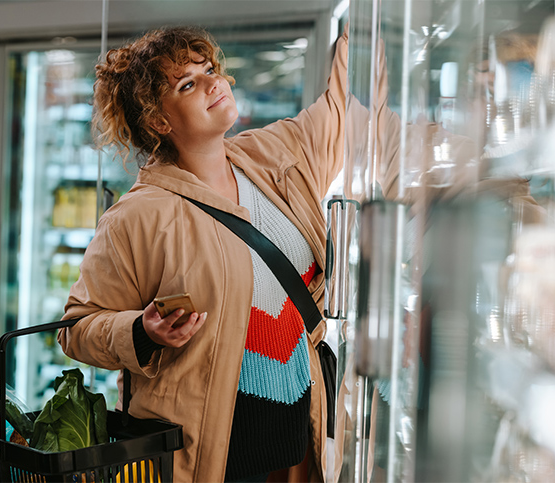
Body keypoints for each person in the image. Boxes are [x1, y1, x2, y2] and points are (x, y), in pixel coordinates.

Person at [57, 25, 348, 482]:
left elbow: (341, 108)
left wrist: (365, 30)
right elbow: (76, 327)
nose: (214, 83)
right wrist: (142, 331)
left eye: (210, 70)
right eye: (187, 84)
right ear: (159, 121)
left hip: (299, 444)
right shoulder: (137, 217)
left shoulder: (270, 156)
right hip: (206, 459)